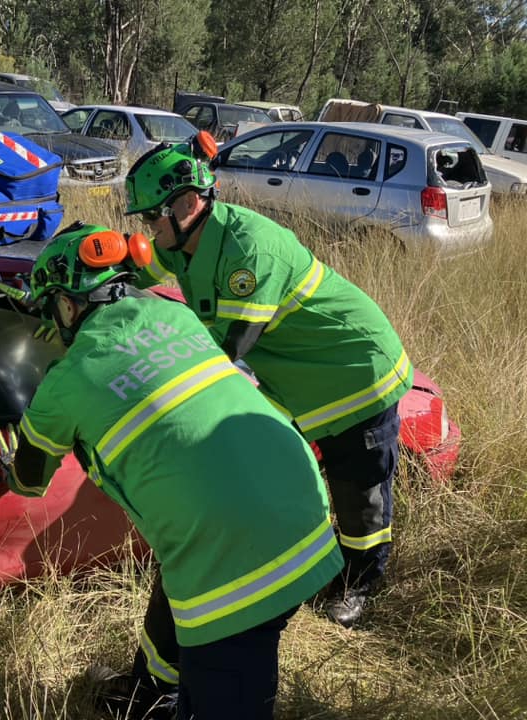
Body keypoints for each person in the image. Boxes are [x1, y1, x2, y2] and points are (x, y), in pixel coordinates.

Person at [0, 222, 343, 720]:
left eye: (52, 308)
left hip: (236, 551)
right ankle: (150, 698)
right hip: (303, 504)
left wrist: (9, 463)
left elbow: (28, 481)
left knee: (227, 690)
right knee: (182, 610)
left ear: (67, 306)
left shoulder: (66, 382)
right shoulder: (176, 315)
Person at [112, 138, 413, 708]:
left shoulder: (251, 249)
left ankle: (359, 587)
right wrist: (97, 263)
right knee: (325, 486)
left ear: (187, 205)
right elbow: (147, 266)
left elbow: (226, 355)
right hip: (304, 385)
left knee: (360, 490)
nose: (149, 228)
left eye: (153, 215)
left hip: (355, 371)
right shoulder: (188, 242)